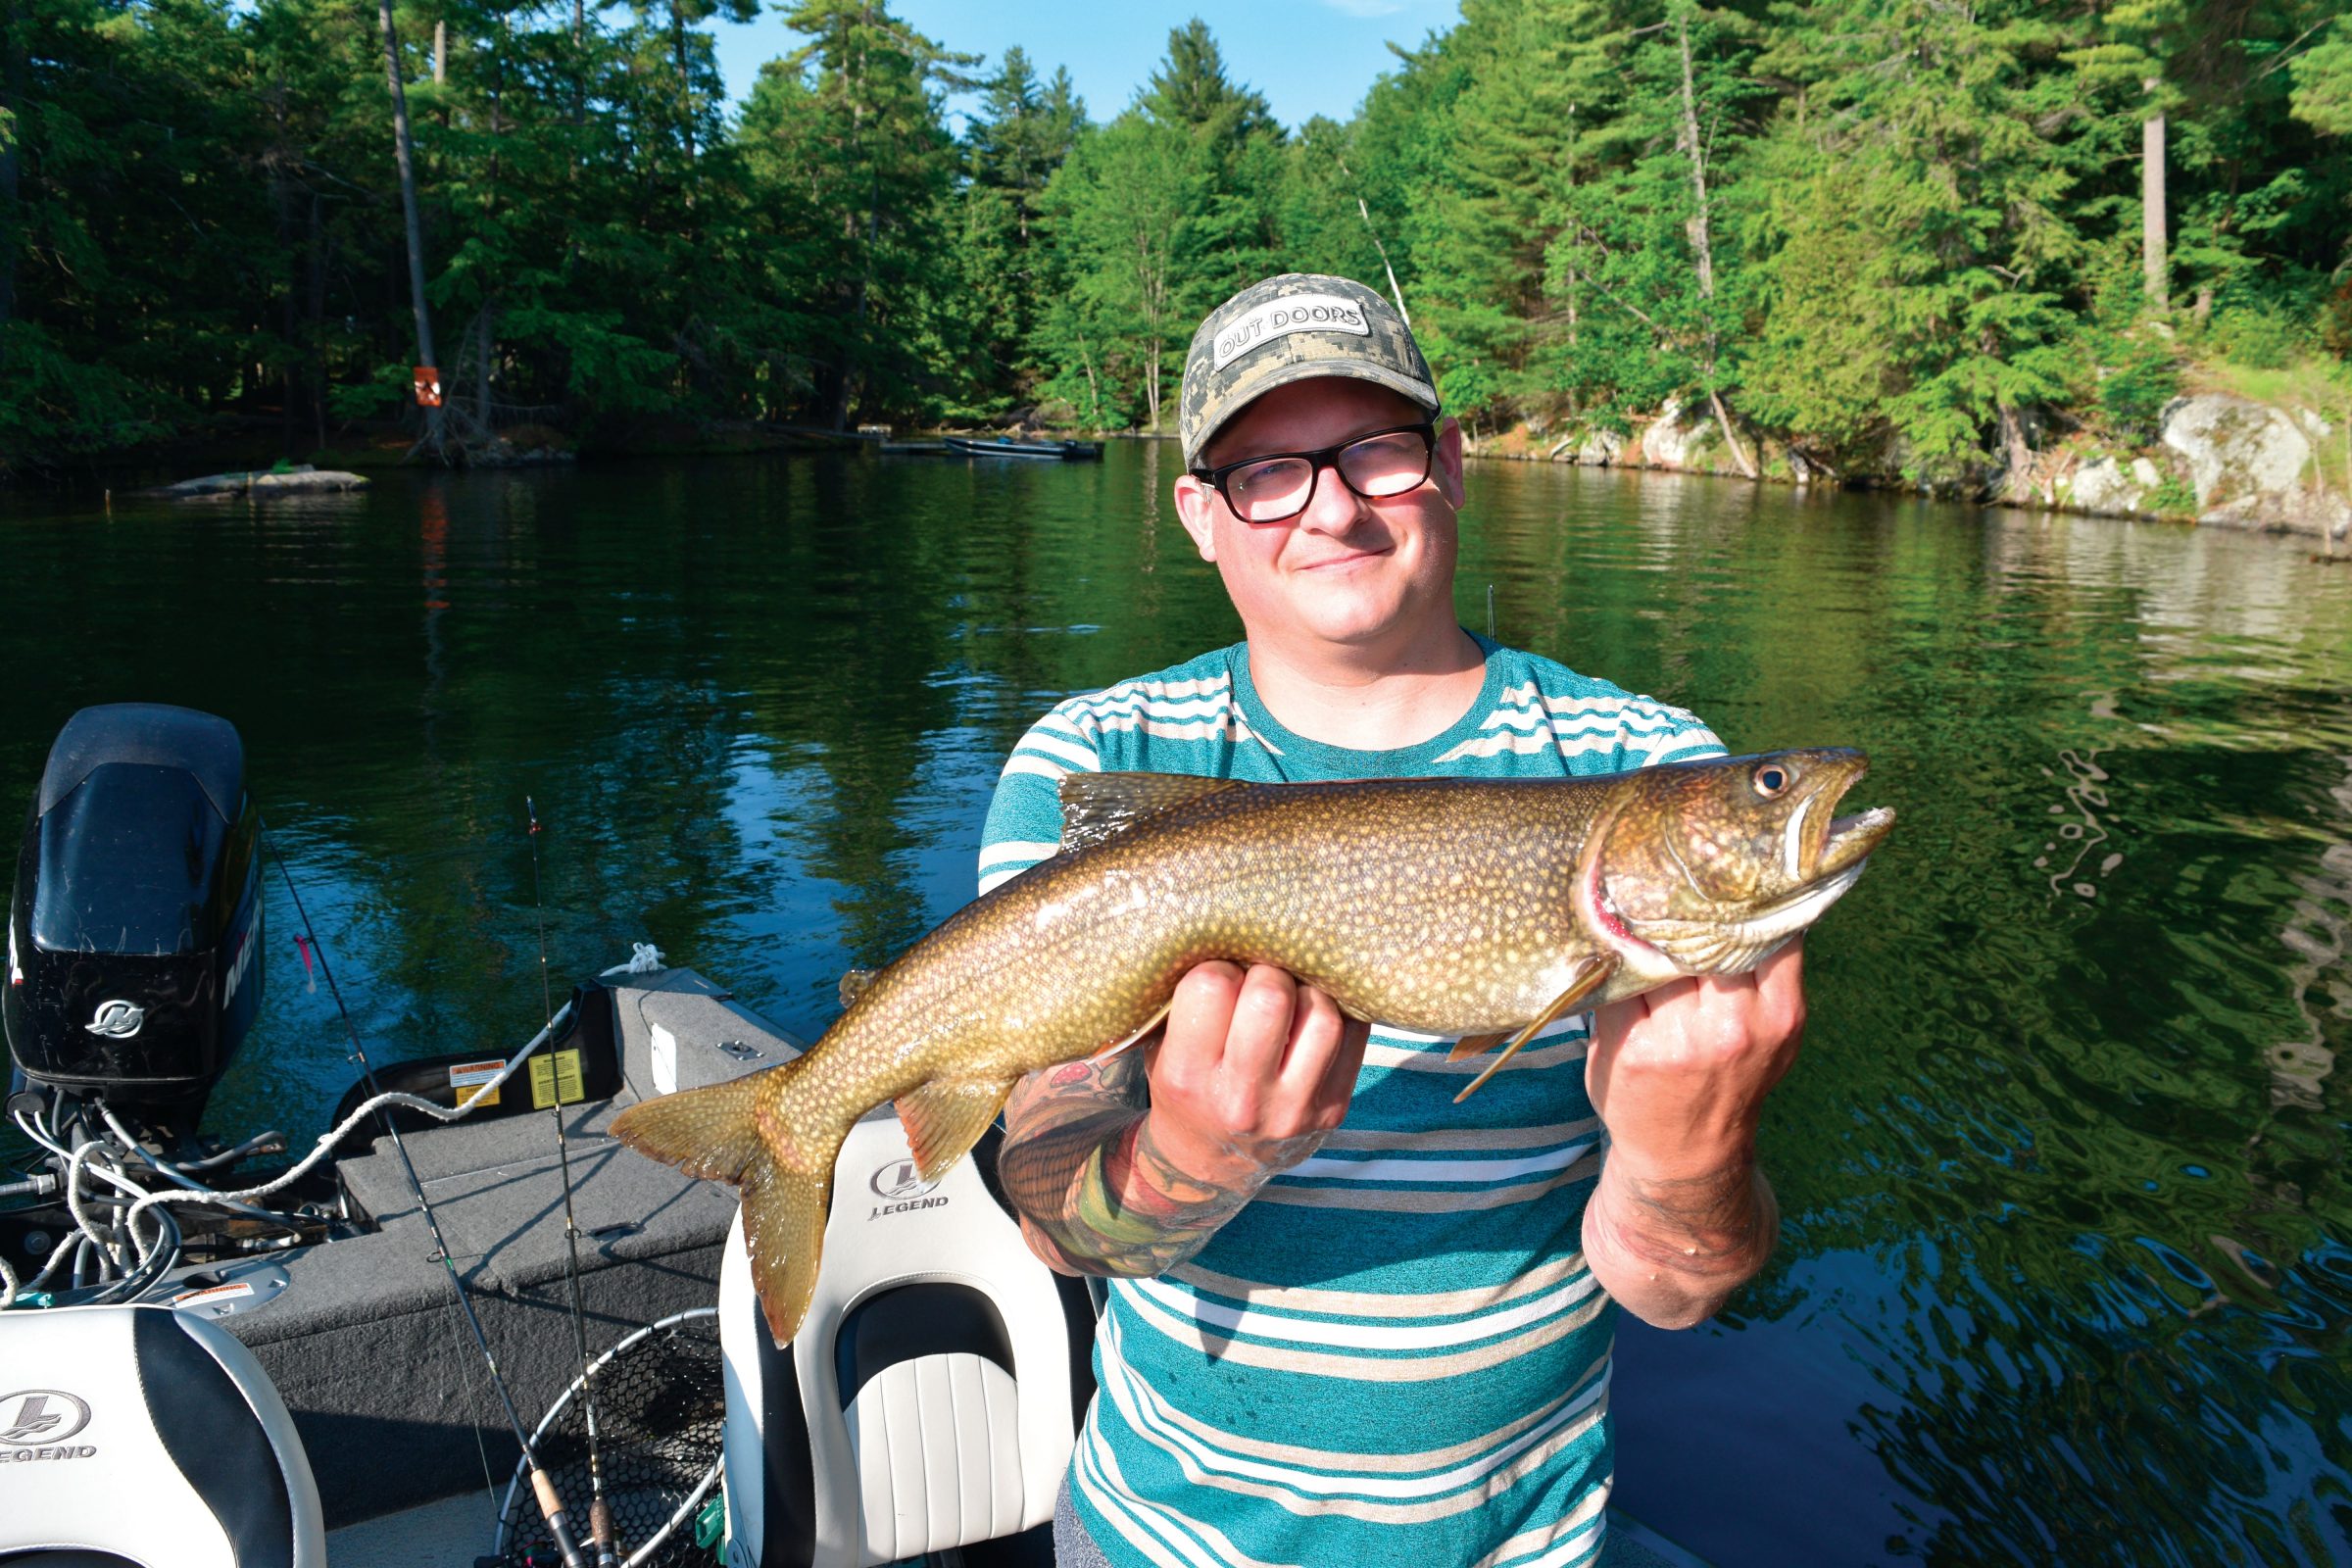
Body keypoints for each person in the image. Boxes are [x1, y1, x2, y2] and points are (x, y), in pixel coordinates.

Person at [979, 274, 1805, 1568]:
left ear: (1452, 465)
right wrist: (1188, 1156)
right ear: (1200, 515)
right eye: (1267, 471)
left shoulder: (1647, 765)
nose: (1334, 504)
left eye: (1376, 449)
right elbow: (1046, 1209)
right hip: (1165, 1543)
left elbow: (1677, 1292)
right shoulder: (1096, 755)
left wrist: (1689, 1157)